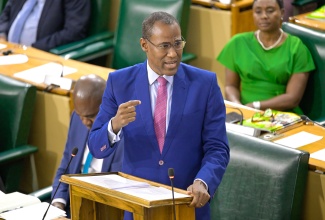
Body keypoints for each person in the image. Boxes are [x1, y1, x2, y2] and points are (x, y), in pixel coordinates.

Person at [88, 11, 230, 220]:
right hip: (138, 207)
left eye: (178, 44)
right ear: (144, 45)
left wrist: (204, 181)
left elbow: (218, 147)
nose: (173, 53)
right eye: (164, 46)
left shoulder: (205, 84)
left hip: (187, 205)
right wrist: (115, 124)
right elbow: (95, 147)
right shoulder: (119, 83)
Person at [217, 0, 315, 114]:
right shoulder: (238, 42)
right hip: (245, 111)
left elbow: (293, 98)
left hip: (282, 114)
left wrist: (256, 105)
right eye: (258, 12)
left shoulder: (296, 48)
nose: (264, 16)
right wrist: (239, 107)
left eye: (270, 11)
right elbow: (230, 86)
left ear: (282, 13)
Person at [51, 74, 123, 217]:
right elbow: (66, 166)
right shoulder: (77, 118)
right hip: (74, 206)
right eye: (80, 115)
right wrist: (57, 208)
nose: (85, 122)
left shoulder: (125, 134)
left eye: (91, 116)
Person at [0, 0, 90, 51]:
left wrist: (34, 48)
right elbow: (6, 13)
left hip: (40, 56)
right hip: (6, 51)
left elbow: (73, 32)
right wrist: (2, 35)